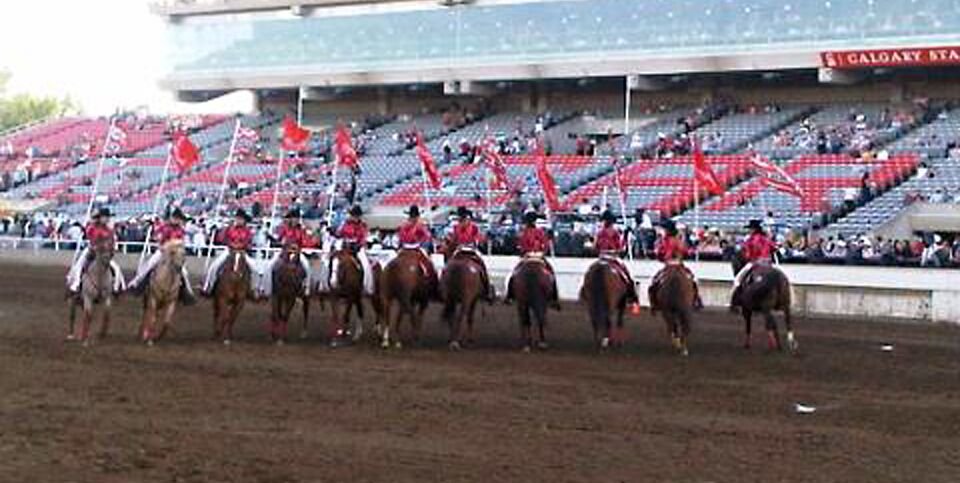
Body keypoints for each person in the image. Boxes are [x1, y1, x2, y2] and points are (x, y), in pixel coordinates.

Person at [128, 208, 196, 303]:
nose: (178, 221)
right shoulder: (165, 227)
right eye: (176, 218)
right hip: (163, 251)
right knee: (149, 264)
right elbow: (158, 238)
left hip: (175, 254)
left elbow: (182, 242)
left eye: (179, 219)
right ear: (172, 218)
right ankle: (136, 282)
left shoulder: (181, 230)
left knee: (184, 272)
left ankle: (188, 292)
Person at [505, 211, 560, 309]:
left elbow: (522, 246)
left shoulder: (524, 232)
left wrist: (525, 251)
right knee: (551, 274)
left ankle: (510, 296)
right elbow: (545, 244)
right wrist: (541, 252)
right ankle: (554, 298)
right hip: (538, 256)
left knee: (514, 273)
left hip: (528, 256)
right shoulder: (540, 232)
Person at [65, 207, 125, 296]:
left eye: (107, 217)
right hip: (91, 251)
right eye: (104, 217)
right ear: (100, 218)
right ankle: (76, 284)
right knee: (80, 265)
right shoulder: (93, 227)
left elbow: (112, 241)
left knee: (116, 268)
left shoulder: (109, 230)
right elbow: (90, 236)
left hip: (104, 254)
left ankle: (117, 287)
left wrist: (111, 249)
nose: (106, 219)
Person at [201, 209, 257, 297]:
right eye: (237, 219)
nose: (239, 221)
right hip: (229, 251)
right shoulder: (229, 229)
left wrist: (242, 245)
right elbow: (222, 239)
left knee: (255, 270)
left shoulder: (247, 231)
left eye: (241, 219)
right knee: (214, 267)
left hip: (242, 252)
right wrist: (231, 243)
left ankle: (254, 289)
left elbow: (249, 241)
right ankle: (208, 286)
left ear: (244, 221)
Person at [649, 219, 702, 310]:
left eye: (663, 229)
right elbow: (685, 252)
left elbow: (661, 254)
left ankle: (654, 303)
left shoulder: (663, 241)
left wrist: (656, 253)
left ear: (667, 230)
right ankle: (696, 300)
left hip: (668, 265)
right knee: (693, 280)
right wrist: (693, 249)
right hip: (679, 265)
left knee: (653, 282)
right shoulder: (678, 240)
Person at [259, 209, 313, 298]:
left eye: (296, 219)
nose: (295, 220)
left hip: (297, 252)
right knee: (270, 265)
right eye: (293, 218)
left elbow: (305, 242)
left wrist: (299, 245)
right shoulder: (285, 229)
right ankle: (266, 287)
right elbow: (279, 240)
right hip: (284, 251)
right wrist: (271, 237)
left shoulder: (301, 230)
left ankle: (306, 287)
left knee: (307, 266)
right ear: (290, 219)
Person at [446, 206, 494, 300]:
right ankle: (487, 288)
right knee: (482, 266)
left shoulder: (457, 227)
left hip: (459, 249)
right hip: (471, 249)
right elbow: (477, 238)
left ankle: (442, 287)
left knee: (447, 266)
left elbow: (454, 240)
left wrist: (450, 241)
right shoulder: (473, 227)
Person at [730, 219, 777, 310]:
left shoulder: (750, 240)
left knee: (738, 280)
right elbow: (775, 248)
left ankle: (734, 302)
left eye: (750, 229)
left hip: (756, 262)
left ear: (754, 229)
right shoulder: (766, 238)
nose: (749, 231)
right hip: (768, 263)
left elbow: (747, 254)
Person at [593, 211, 639, 304]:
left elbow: (595, 247)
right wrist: (626, 237)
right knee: (626, 275)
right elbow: (620, 247)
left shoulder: (599, 233)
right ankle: (632, 295)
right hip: (613, 257)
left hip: (601, 257)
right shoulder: (615, 232)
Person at [395, 205, 439, 297]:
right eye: (414, 216)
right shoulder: (417, 225)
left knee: (429, 263)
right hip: (413, 247)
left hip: (407, 248)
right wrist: (428, 235)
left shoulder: (406, 225)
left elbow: (425, 237)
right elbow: (425, 237)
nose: (414, 218)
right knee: (429, 263)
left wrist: (428, 235)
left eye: (415, 216)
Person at [337, 205, 375, 295]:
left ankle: (367, 286)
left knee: (365, 265)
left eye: (356, 216)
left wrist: (359, 245)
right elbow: (340, 233)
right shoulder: (345, 224)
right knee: (333, 261)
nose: (354, 218)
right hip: (345, 247)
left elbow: (363, 237)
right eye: (353, 215)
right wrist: (334, 232)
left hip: (357, 248)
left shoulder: (362, 226)